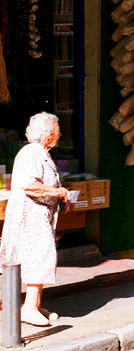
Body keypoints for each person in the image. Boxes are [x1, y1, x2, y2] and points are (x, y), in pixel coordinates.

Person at [0, 112, 70, 327]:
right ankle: (28, 308)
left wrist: (62, 197)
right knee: (40, 258)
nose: (59, 134)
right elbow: (29, 184)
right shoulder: (30, 152)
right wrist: (58, 193)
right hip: (28, 216)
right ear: (47, 133)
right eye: (57, 130)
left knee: (39, 259)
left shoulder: (43, 153)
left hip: (39, 216)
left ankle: (34, 305)